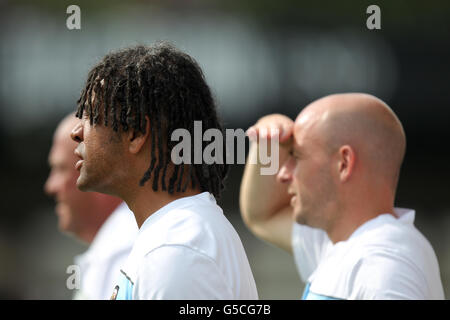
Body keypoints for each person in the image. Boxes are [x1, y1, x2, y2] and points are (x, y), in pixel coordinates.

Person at [70, 43, 258, 300]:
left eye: (90, 116)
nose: (76, 132)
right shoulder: (170, 237)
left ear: (136, 134)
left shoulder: (175, 249)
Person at [240, 93, 444, 299]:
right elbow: (263, 214)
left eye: (296, 156)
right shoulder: (347, 244)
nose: (283, 174)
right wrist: (268, 144)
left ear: (344, 163)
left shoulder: (384, 268)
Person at [45, 113, 138, 299]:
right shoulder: (115, 251)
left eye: (61, 168)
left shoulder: (129, 254)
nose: (50, 187)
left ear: (98, 172)